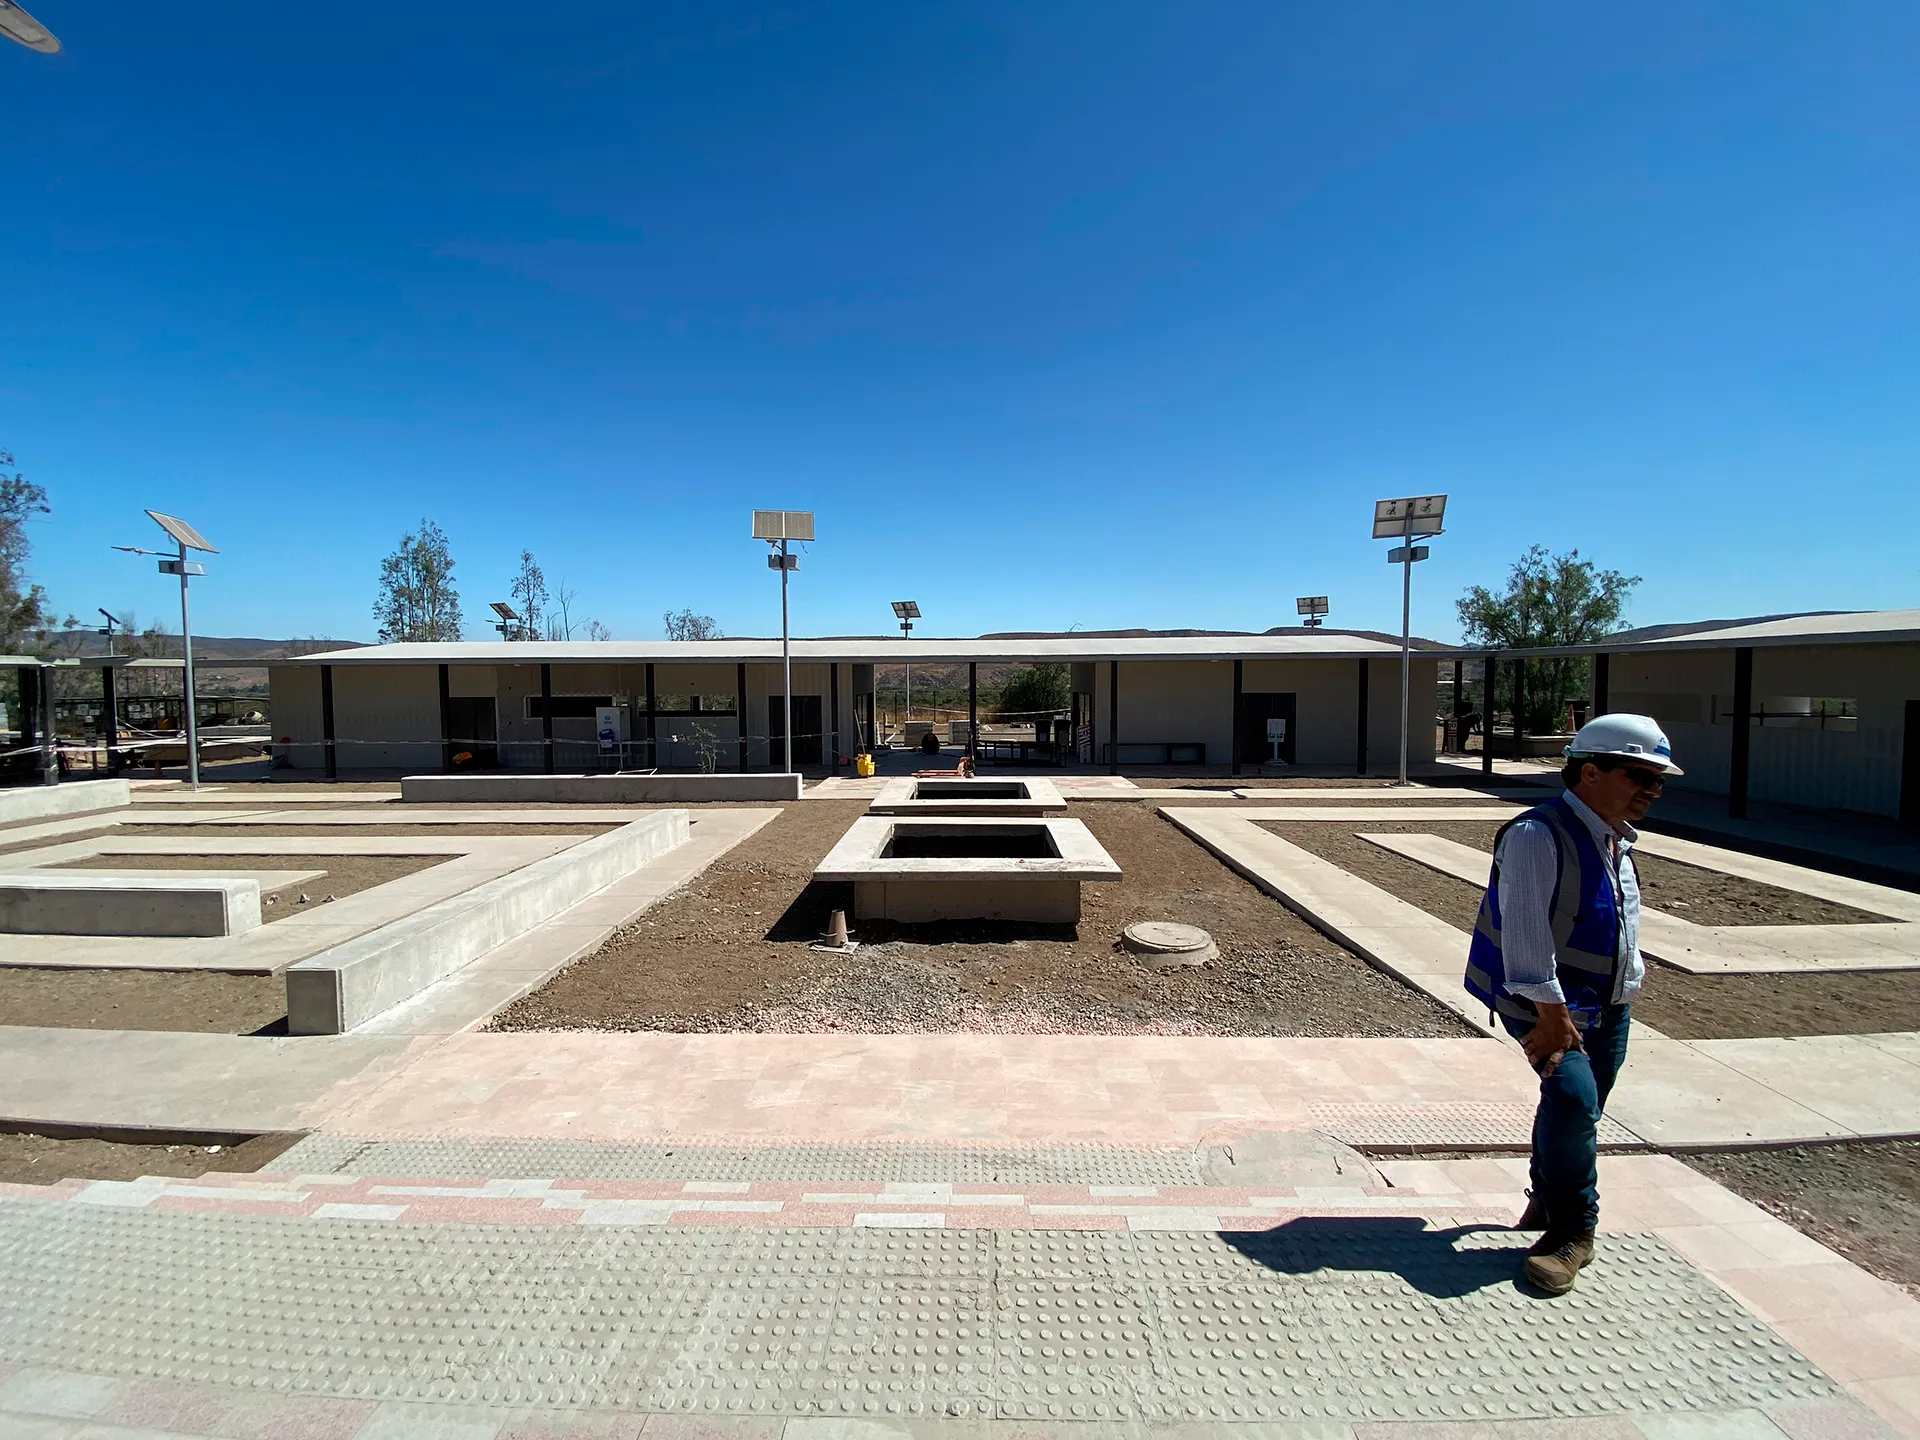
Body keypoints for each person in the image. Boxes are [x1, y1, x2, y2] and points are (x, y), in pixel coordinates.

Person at [1463, 713, 1682, 1295]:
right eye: (1642, 776)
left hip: (1608, 1004)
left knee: (1575, 1109)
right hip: (1551, 1006)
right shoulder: (1539, 836)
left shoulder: (1612, 838)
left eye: (1660, 781)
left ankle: (1546, 1196)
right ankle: (1573, 1232)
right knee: (1575, 1100)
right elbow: (1528, 933)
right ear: (1591, 772)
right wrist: (1553, 1019)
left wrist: (1626, 988)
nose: (1652, 791)